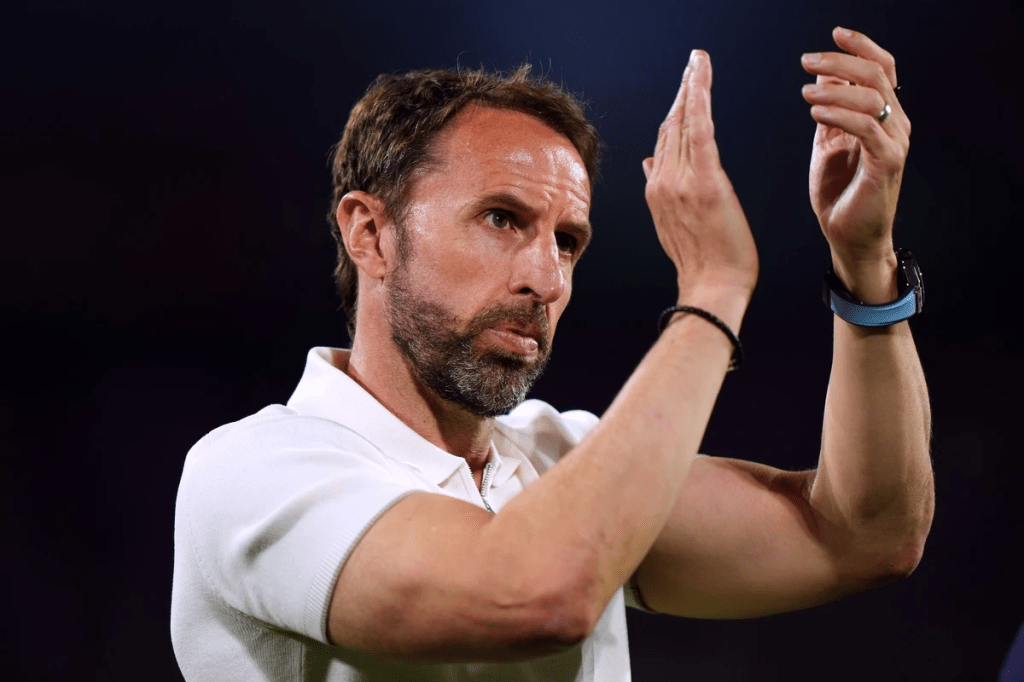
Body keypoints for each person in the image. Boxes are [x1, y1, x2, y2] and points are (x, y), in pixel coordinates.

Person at [171, 26, 934, 681]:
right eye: (502, 219)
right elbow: (534, 594)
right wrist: (713, 292)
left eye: (567, 241)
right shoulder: (252, 470)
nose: (548, 279)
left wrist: (864, 261)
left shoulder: (559, 457)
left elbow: (865, 536)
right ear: (369, 233)